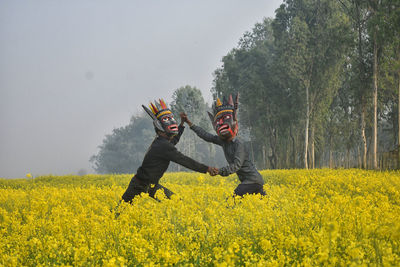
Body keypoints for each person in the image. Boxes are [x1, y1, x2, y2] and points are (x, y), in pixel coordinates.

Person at [121, 99, 218, 203]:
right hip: (139, 185)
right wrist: (206, 168)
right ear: (159, 126)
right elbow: (184, 160)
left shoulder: (161, 143)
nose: (172, 122)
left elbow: (173, 141)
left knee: (176, 203)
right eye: (167, 120)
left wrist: (181, 124)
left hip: (150, 185)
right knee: (120, 213)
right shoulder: (162, 145)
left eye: (172, 119)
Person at [181, 93, 265, 197]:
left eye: (225, 118)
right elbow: (206, 136)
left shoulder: (239, 145)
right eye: (218, 121)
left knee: (232, 201)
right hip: (251, 181)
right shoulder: (223, 141)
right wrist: (189, 123)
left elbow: (236, 166)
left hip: (252, 181)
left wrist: (219, 171)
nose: (221, 123)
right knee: (266, 205)